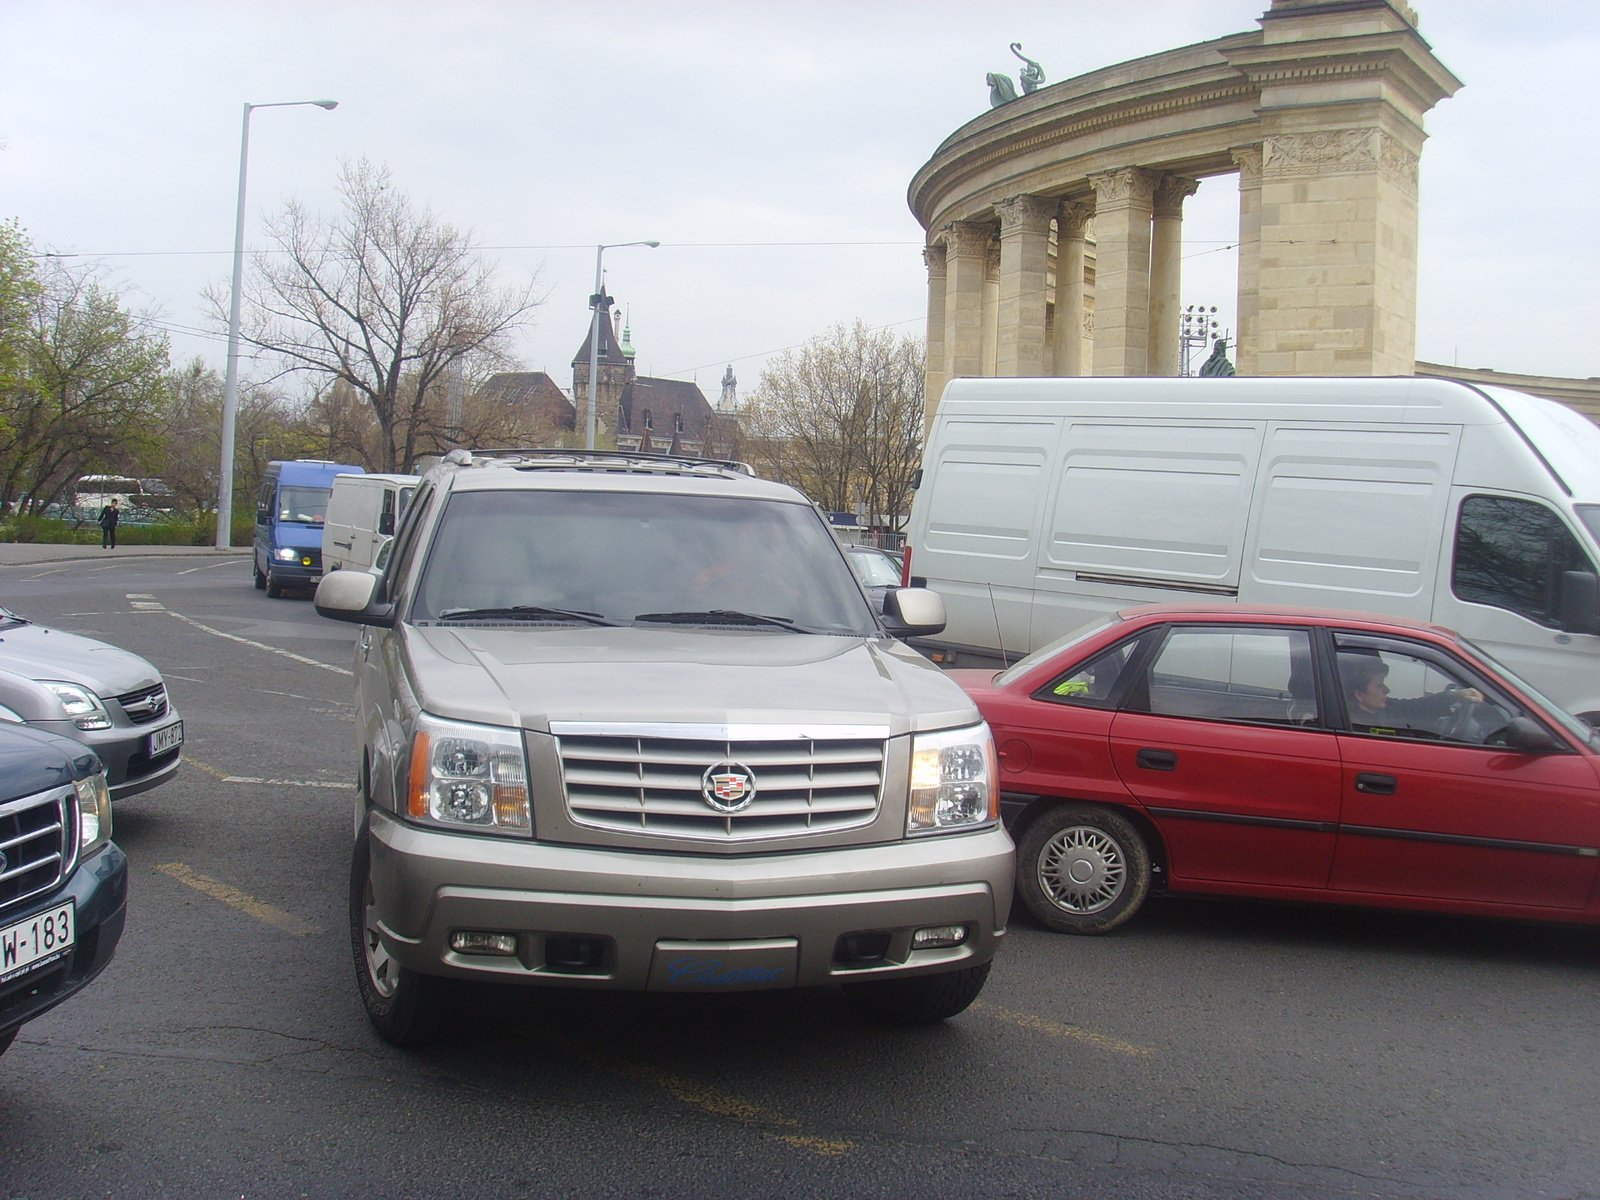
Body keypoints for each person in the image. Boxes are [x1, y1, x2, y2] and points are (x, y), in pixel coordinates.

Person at [1341, 655, 1487, 739]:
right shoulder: (1352, 726)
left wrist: (1454, 696)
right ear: (1359, 694)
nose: (1387, 690)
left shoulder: (1387, 708)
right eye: (1379, 686)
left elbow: (1416, 706)